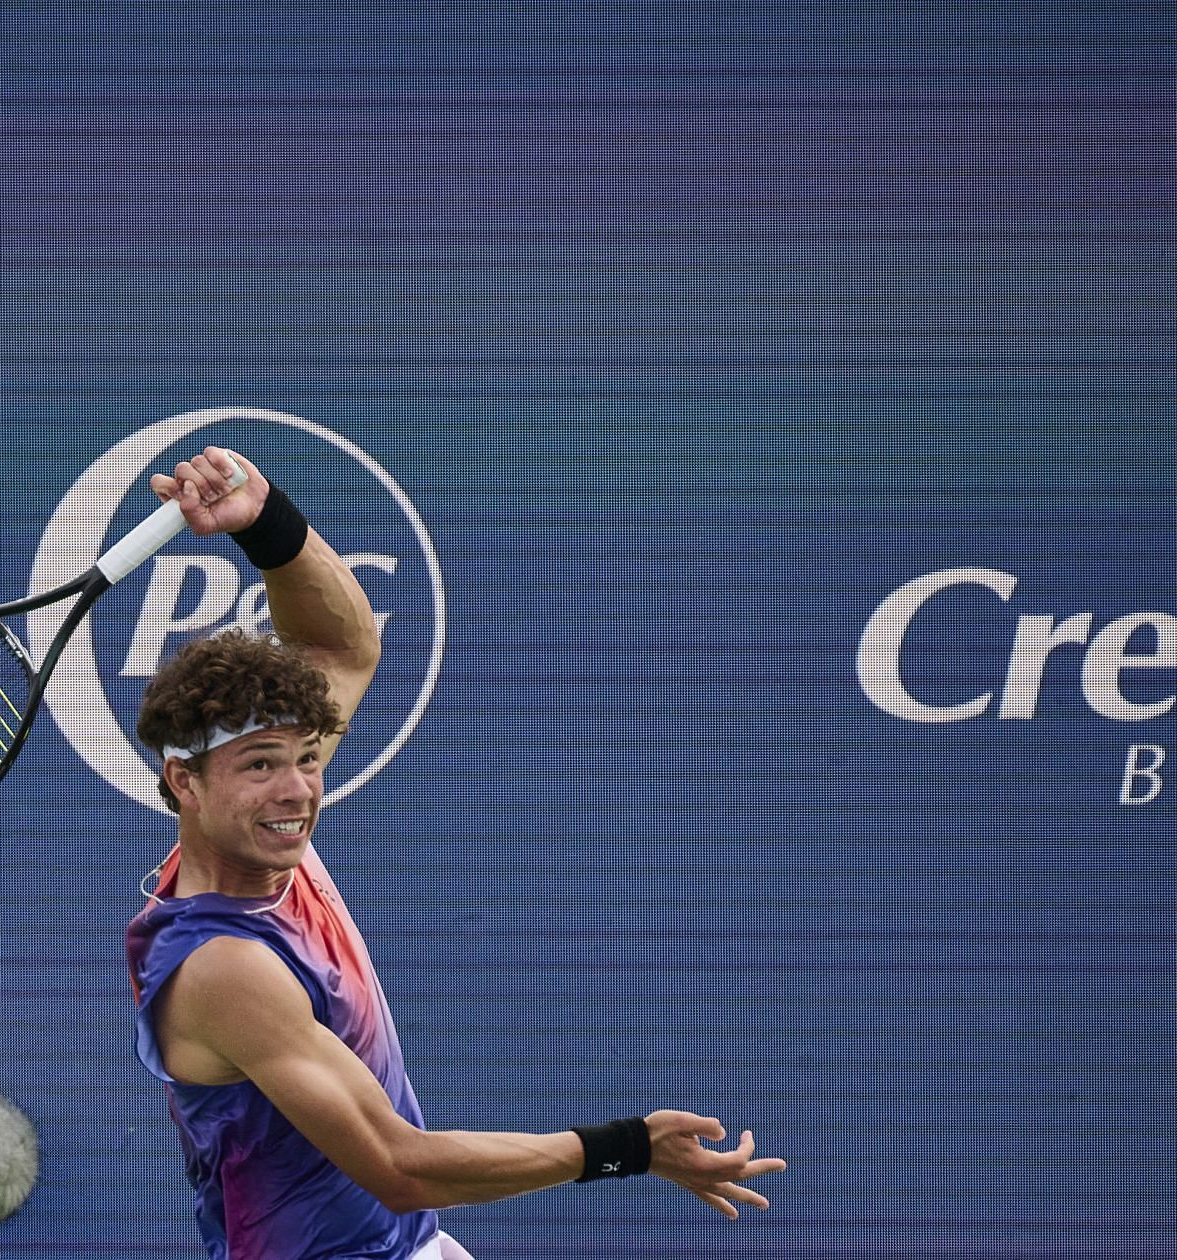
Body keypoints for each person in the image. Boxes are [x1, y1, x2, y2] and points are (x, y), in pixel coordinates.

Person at [125, 446, 786, 1260]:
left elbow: (341, 646)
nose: (299, 788)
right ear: (182, 782)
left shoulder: (261, 830)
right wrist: (628, 1146)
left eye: (307, 756)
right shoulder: (224, 967)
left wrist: (266, 522)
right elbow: (400, 1168)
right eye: (262, 763)